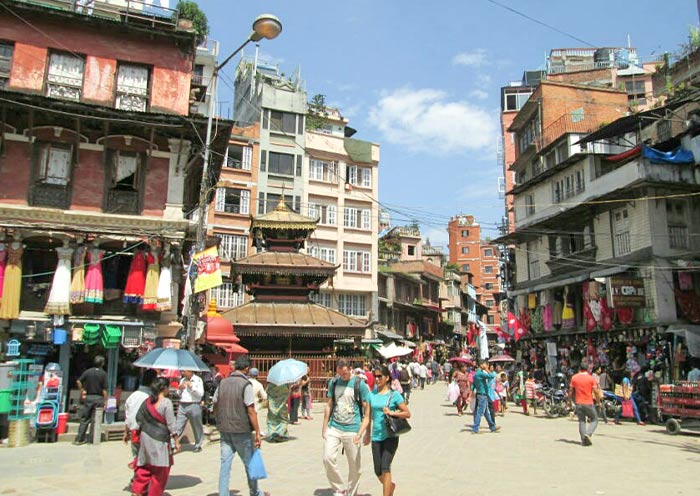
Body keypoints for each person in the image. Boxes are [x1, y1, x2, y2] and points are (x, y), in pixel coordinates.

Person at [214, 355, 269, 496]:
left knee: (225, 464)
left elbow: (215, 403)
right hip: (241, 429)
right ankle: (255, 492)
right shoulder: (246, 385)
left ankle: (223, 493)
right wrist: (257, 431)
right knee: (249, 463)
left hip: (225, 428)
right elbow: (251, 410)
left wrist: (219, 419)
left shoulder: (223, 382)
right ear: (246, 369)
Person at [322, 359, 371, 496]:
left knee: (354, 465)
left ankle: (352, 492)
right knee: (327, 458)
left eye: (344, 373)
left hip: (353, 428)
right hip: (334, 426)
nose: (342, 376)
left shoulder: (359, 384)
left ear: (350, 369)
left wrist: (366, 432)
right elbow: (329, 403)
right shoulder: (334, 382)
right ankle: (339, 489)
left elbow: (367, 409)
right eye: (339, 373)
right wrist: (324, 425)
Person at [131, 377, 180, 496]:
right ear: (164, 388)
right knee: (160, 471)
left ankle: (137, 491)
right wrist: (177, 441)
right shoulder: (166, 402)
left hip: (145, 437)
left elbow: (138, 418)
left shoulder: (147, 401)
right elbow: (171, 424)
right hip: (160, 439)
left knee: (144, 466)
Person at [367, 365, 411, 496]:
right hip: (376, 436)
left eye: (380, 376)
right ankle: (390, 486)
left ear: (387, 378)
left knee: (386, 467)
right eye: (375, 376)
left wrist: (392, 412)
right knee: (378, 471)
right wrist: (365, 434)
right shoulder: (372, 394)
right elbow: (367, 417)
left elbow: (407, 413)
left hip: (390, 436)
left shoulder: (394, 395)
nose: (377, 378)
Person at [124, 369, 158, 463]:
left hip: (134, 433)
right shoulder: (152, 398)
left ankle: (137, 476)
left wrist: (126, 432)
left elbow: (128, 416)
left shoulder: (132, 396)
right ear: (153, 382)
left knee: (137, 459)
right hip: (148, 434)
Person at [74, 355, 108, 445]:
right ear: (102, 363)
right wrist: (105, 401)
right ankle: (91, 439)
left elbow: (78, 381)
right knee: (95, 420)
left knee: (84, 419)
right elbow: (104, 390)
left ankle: (79, 439)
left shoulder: (88, 371)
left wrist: (82, 391)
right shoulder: (103, 374)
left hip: (88, 398)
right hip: (99, 398)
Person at [568, 361, 598, 446]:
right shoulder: (591, 378)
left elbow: (570, 391)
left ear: (579, 369)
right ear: (587, 369)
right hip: (588, 402)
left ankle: (584, 440)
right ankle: (588, 434)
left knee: (582, 421)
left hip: (578, 402)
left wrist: (568, 401)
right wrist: (599, 401)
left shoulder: (574, 378)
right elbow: (595, 391)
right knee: (595, 419)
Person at [175, 370, 204, 452]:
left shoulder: (198, 380)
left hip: (194, 404)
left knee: (196, 425)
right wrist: (180, 389)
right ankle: (173, 444)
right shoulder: (182, 380)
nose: (182, 373)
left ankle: (198, 444)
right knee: (178, 425)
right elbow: (179, 393)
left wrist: (192, 387)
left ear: (190, 371)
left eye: (184, 371)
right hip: (183, 404)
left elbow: (200, 394)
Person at [471, 361, 500, 434]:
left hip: (481, 394)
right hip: (482, 395)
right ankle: (475, 428)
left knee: (486, 413)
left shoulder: (476, 374)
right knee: (480, 412)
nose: (486, 365)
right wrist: (487, 369)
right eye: (485, 364)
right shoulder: (480, 373)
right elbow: (491, 376)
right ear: (481, 365)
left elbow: (473, 385)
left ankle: (492, 427)